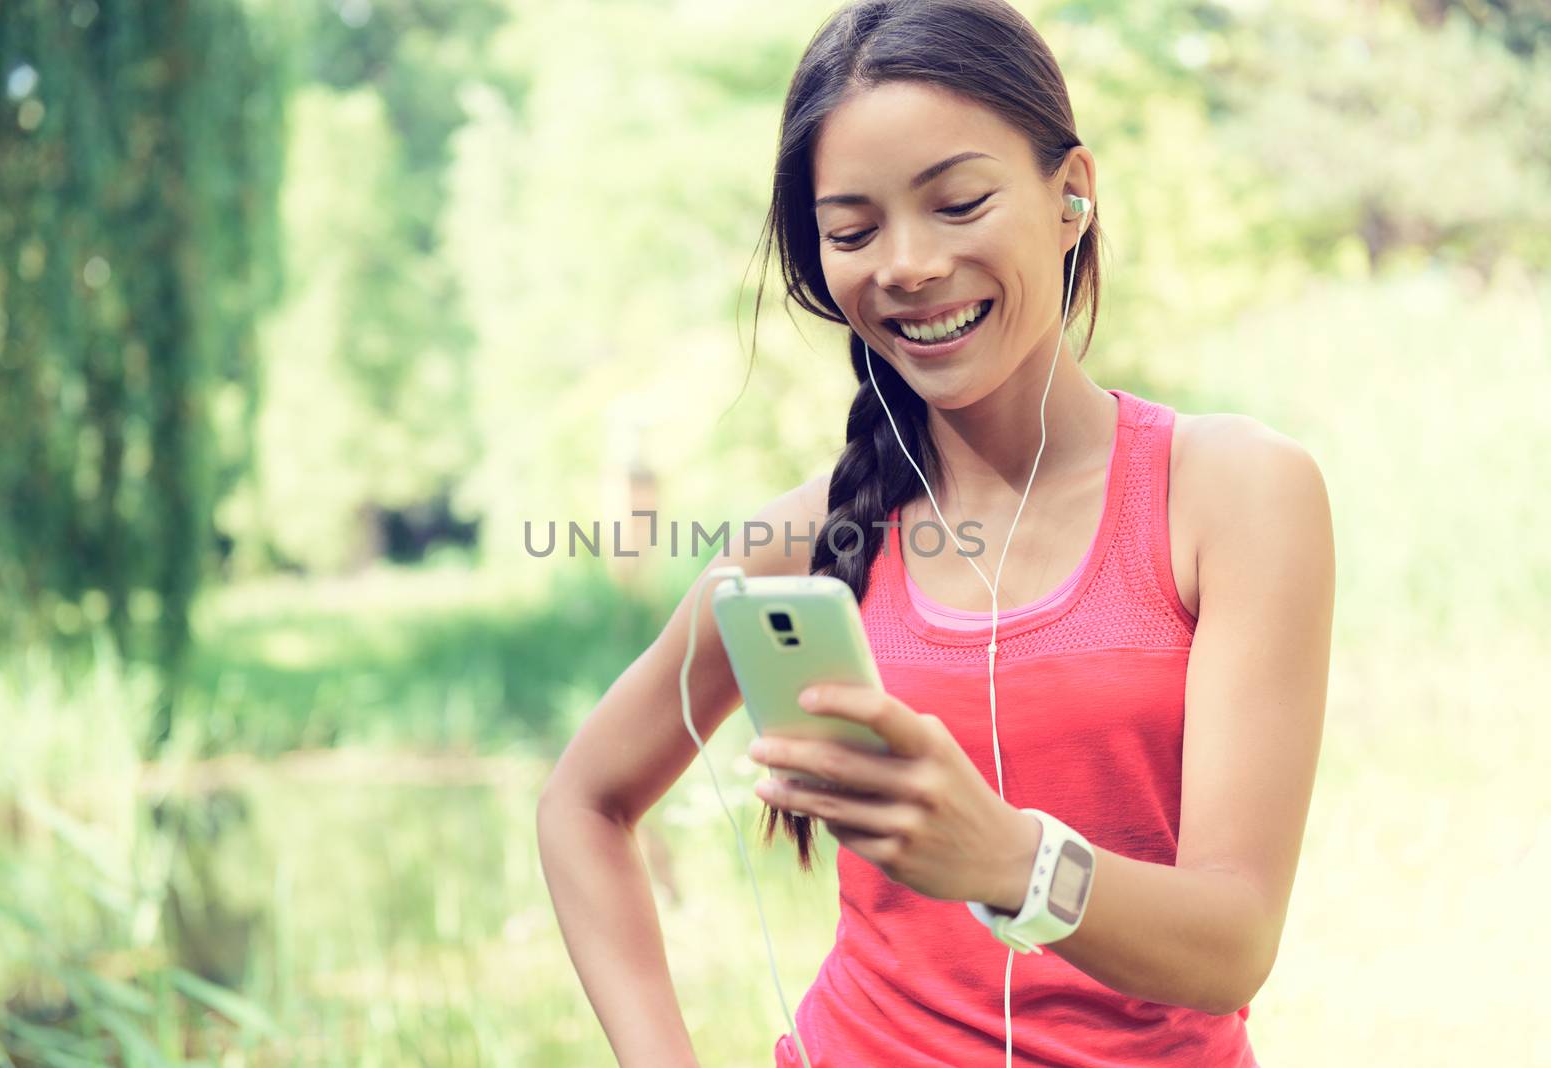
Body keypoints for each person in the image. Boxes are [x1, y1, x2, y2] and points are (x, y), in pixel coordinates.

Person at [536, 1, 1334, 1065]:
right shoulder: (796, 542)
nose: (906, 265)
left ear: (1072, 196)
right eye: (854, 231)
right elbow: (582, 806)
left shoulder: (1233, 496)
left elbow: (1232, 943)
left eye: (957, 203)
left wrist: (1008, 859)